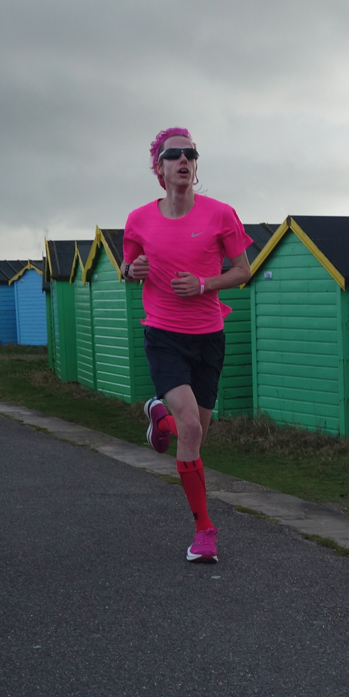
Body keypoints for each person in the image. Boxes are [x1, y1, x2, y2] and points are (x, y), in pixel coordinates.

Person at [122, 128, 252, 563]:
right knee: (192, 429)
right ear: (159, 168)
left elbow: (243, 271)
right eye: (173, 155)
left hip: (209, 336)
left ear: (195, 167)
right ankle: (205, 531)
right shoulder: (140, 219)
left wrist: (203, 285)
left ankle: (160, 417)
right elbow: (127, 264)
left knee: (196, 434)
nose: (183, 160)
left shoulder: (221, 215)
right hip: (163, 335)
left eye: (190, 154)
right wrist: (131, 268)